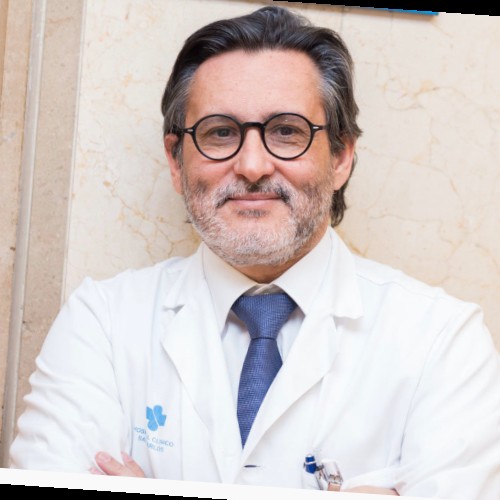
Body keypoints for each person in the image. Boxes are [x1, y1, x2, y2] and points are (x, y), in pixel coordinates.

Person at [9, 6, 500, 498]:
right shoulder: (102, 323)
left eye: (286, 131)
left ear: (341, 157)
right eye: (220, 132)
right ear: (176, 162)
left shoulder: (443, 343)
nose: (251, 165)